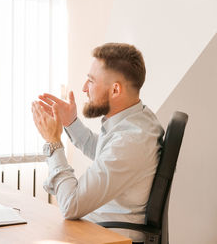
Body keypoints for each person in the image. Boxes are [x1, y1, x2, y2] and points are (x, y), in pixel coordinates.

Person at [31, 43, 164, 243]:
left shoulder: (130, 141)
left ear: (115, 90)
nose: (84, 88)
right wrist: (71, 123)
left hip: (107, 236)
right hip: (96, 227)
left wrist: (53, 143)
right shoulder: (138, 119)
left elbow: (70, 205)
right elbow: (106, 154)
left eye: (91, 81)